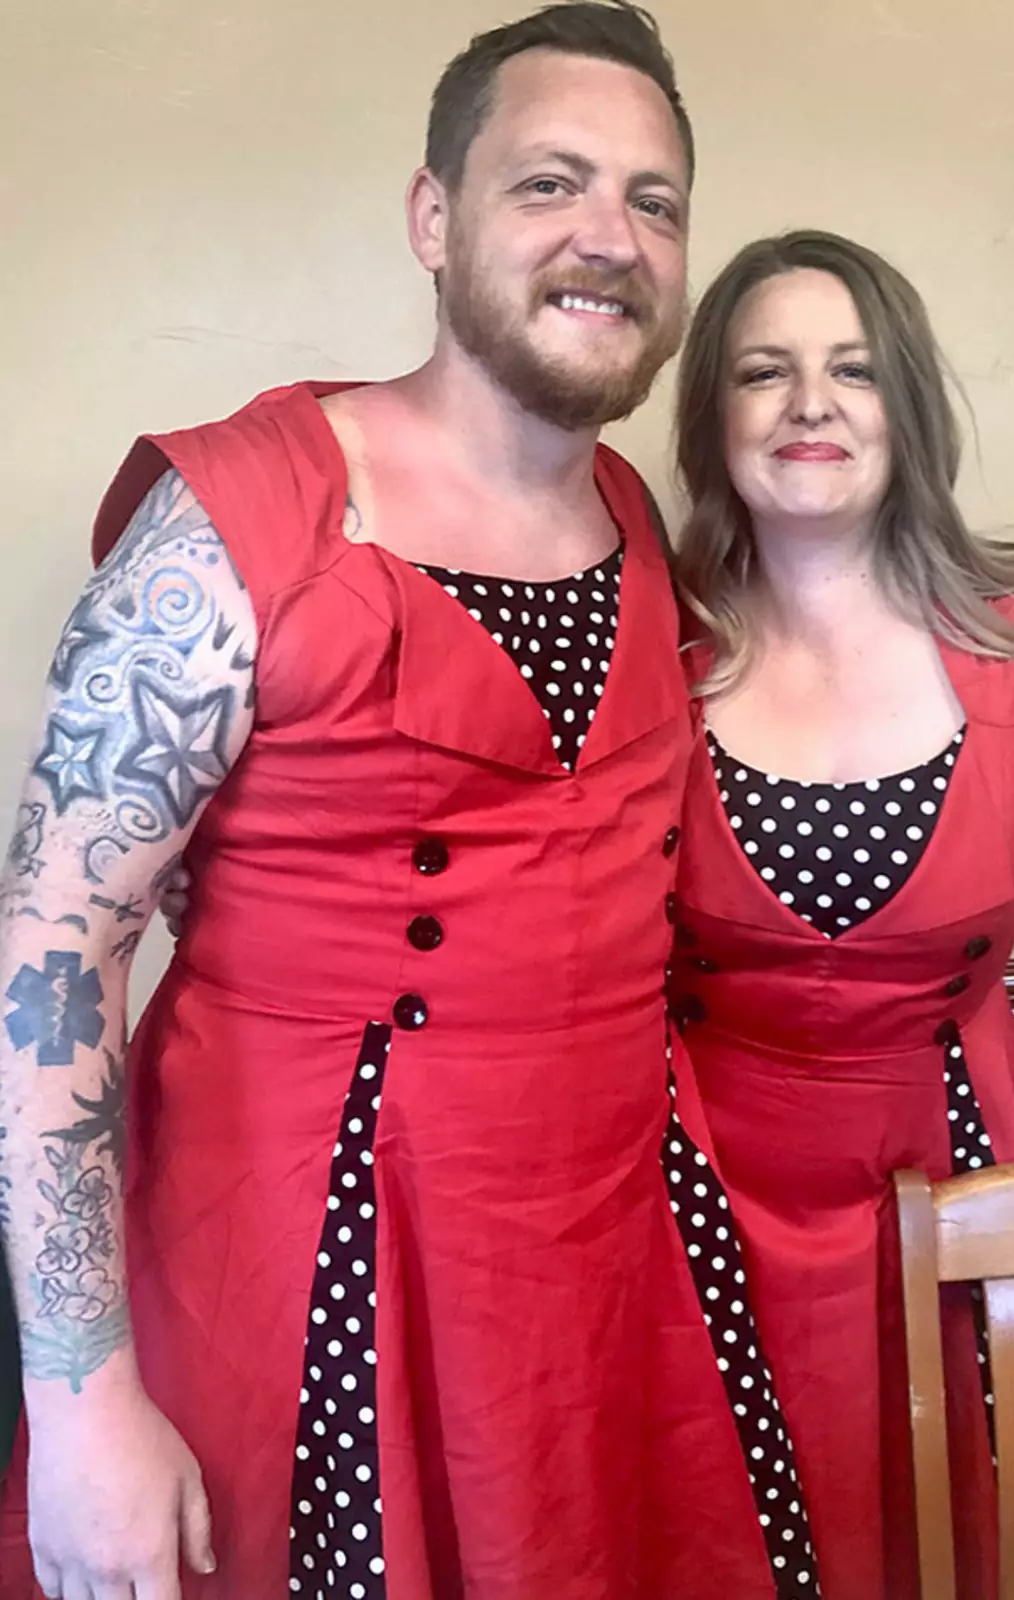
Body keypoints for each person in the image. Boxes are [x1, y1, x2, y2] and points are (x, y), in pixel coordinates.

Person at [0, 7, 791, 1597]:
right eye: (549, 182)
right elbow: (52, 964)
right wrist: (80, 1400)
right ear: (433, 218)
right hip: (314, 1259)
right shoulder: (238, 518)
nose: (608, 235)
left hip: (616, 1259)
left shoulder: (636, 517)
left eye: (652, 200)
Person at [664, 228, 1014, 1600]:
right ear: (713, 417)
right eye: (764, 372)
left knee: (972, 1524)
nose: (812, 403)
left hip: (956, 1158)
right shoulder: (652, 633)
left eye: (854, 369)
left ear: (907, 404)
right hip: (698, 1187)